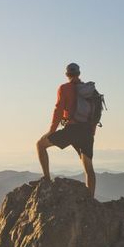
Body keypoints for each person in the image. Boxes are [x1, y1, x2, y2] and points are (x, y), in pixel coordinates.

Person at [36, 63, 98, 197]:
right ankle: (90, 199)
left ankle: (46, 179)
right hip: (87, 131)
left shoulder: (64, 88)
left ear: (67, 74)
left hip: (72, 129)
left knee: (40, 145)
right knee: (88, 167)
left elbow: (58, 111)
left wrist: (52, 131)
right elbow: (97, 112)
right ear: (79, 74)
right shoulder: (90, 90)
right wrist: (92, 130)